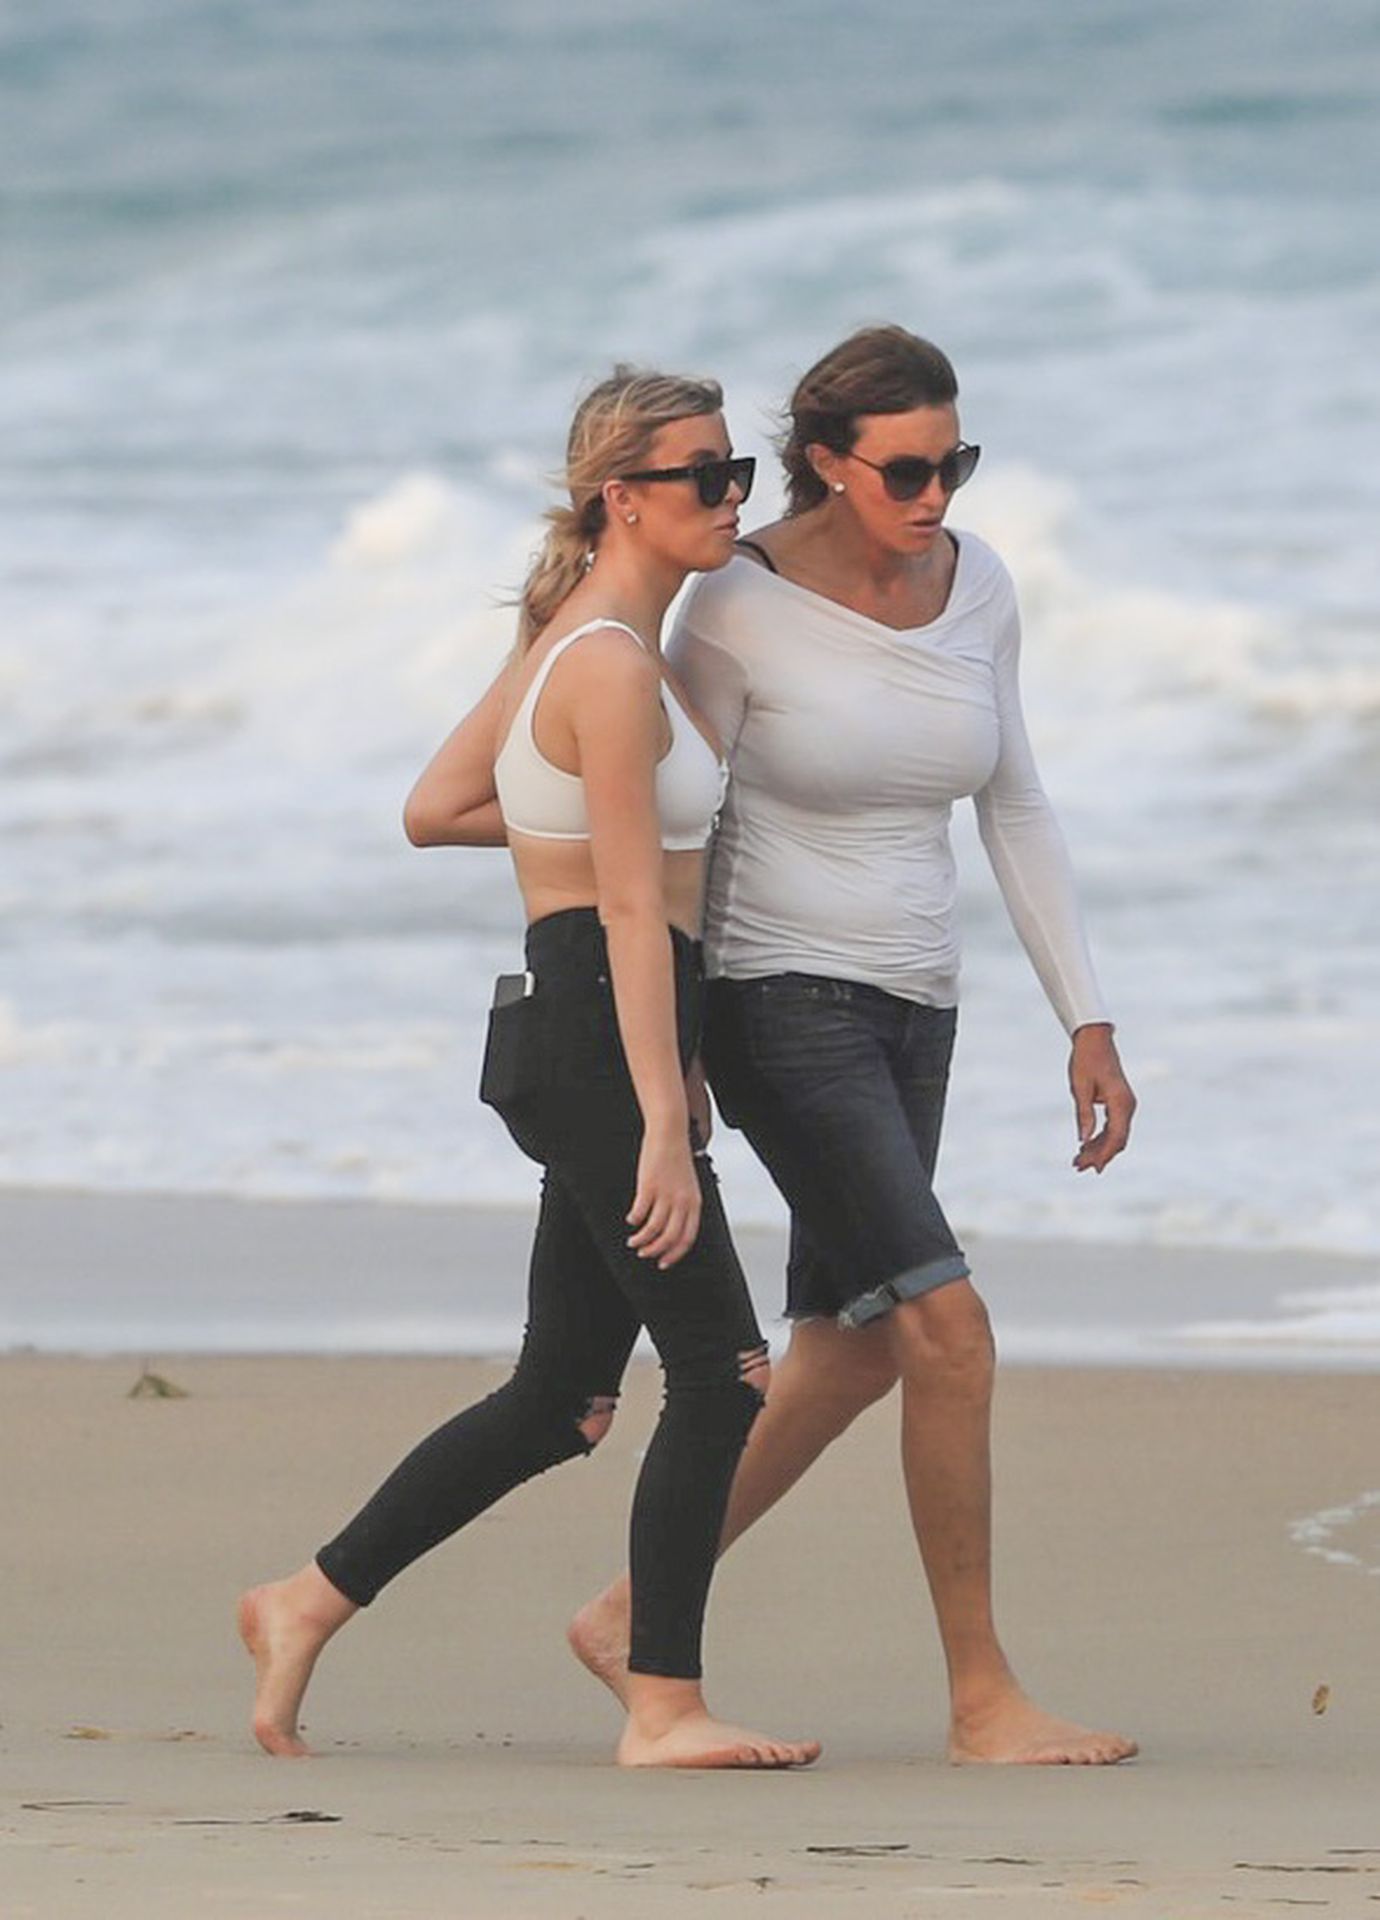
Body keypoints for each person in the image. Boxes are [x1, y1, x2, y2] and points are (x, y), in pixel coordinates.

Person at [569, 327, 1139, 1766]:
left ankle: (633, 1611)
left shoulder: (977, 583)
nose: (936, 494)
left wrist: (1085, 1014)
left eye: (956, 463)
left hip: (915, 1006)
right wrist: (675, 1053)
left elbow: (1015, 802)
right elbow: (677, 829)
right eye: (905, 471)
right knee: (948, 1331)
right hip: (779, 1001)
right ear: (826, 463)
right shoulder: (737, 607)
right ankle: (982, 1698)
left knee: (850, 1349)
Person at [238, 366, 820, 1772]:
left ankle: (303, 1601)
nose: (732, 498)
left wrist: (572, 823)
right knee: (725, 1373)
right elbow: (627, 910)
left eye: (737, 473)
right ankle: (663, 1702)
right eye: (703, 476)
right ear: (625, 496)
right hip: (606, 1039)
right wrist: (667, 1118)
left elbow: (437, 808)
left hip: (586, 1029)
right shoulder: (607, 663)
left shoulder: (583, 640)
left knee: (566, 1397)